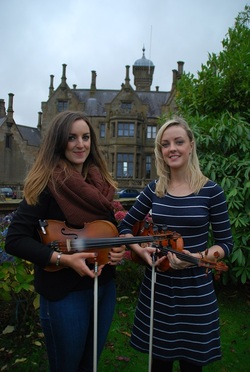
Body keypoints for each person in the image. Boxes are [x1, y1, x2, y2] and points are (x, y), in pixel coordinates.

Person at [5, 111, 125, 372]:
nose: (80, 144)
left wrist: (117, 250)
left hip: (103, 289)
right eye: (71, 138)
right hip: (64, 295)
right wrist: (64, 259)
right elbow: (14, 240)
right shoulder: (46, 185)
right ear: (59, 141)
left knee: (90, 365)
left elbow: (105, 232)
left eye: (85, 137)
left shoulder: (98, 185)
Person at [118, 117, 233, 372]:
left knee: (192, 366)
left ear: (190, 145)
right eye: (165, 144)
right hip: (158, 290)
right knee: (159, 365)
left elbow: (225, 243)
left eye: (179, 142)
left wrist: (198, 255)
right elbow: (124, 227)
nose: (172, 148)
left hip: (196, 293)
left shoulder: (211, 191)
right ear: (160, 150)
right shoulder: (154, 190)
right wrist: (138, 249)